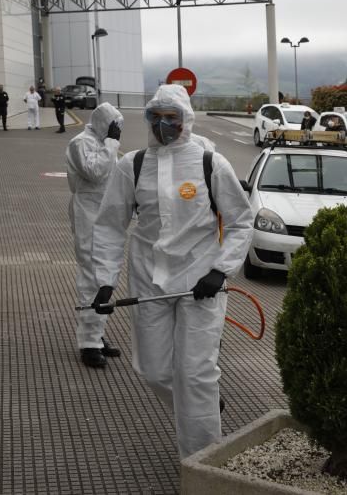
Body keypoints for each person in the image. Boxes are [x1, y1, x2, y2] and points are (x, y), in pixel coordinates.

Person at [91, 84, 254, 459]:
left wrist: (220, 270)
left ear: (186, 120)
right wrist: (104, 281)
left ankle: (203, 463)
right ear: (148, 119)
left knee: (196, 373)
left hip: (202, 284)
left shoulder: (209, 163)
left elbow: (241, 221)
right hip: (150, 282)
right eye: (157, 117)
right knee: (154, 370)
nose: (164, 125)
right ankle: (206, 408)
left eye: (172, 118)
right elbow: (111, 225)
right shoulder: (131, 165)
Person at [66, 102, 124, 368]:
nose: (117, 131)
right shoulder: (81, 143)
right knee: (91, 277)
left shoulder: (105, 144)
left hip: (106, 214)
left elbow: (117, 176)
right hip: (88, 213)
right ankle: (88, 344)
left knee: (105, 277)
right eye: (114, 127)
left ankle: (97, 335)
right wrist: (111, 143)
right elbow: (95, 171)